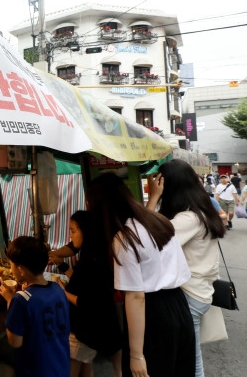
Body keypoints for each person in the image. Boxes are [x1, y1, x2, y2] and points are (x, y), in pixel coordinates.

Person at [86, 173, 195, 377]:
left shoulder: (125, 239)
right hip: (179, 307)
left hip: (153, 317)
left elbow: (136, 297)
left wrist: (136, 355)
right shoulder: (159, 221)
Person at [147, 160, 226, 377]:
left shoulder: (188, 219)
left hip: (189, 295)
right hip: (198, 292)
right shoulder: (200, 211)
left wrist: (153, 198)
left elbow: (146, 241)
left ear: (170, 186)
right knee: (190, 356)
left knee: (189, 360)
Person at [55, 211, 122, 377]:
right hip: (92, 327)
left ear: (85, 231)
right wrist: (61, 266)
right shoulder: (94, 254)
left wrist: (63, 293)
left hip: (85, 328)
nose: (71, 236)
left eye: (73, 231)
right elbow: (83, 282)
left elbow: (87, 301)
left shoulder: (92, 261)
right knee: (86, 368)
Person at [0, 235, 70, 377]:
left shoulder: (20, 300)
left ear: (21, 269)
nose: (11, 271)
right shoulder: (58, 289)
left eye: (12, 266)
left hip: (36, 370)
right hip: (60, 367)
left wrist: (9, 300)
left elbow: (15, 342)